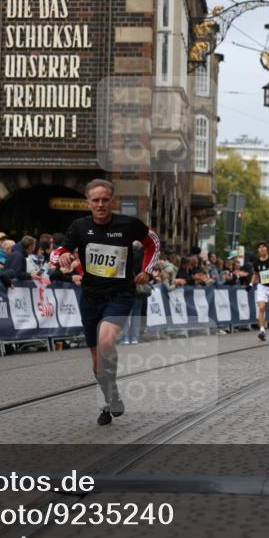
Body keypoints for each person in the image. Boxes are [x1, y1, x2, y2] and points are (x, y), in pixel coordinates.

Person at [49, 179, 160, 426]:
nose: (100, 205)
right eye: (95, 200)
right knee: (97, 362)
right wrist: (64, 256)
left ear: (112, 201)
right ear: (88, 202)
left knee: (107, 338)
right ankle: (111, 398)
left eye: (105, 200)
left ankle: (111, 393)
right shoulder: (79, 226)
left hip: (120, 294)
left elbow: (154, 243)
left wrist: (147, 271)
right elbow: (58, 253)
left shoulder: (129, 224)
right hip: (90, 297)